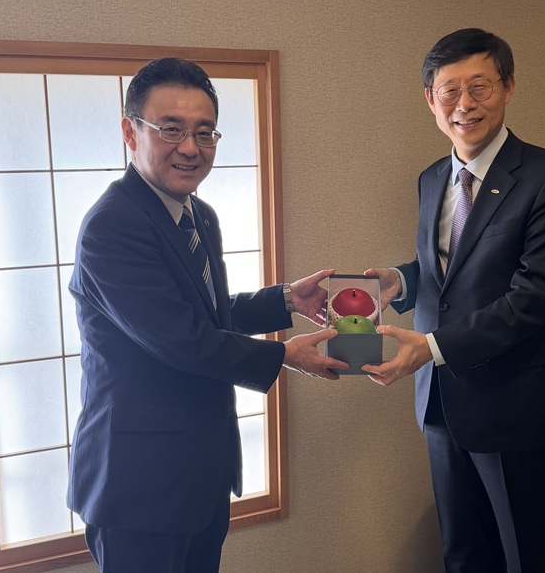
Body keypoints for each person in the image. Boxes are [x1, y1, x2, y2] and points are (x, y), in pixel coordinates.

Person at [67, 57, 348, 573]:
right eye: (171, 129)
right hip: (138, 484)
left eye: (204, 132)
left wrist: (286, 299)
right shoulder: (113, 225)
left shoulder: (199, 215)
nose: (190, 148)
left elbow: (207, 315)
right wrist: (283, 355)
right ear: (131, 132)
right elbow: (180, 339)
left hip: (199, 472)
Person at [363, 28, 545, 573]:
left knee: (524, 555)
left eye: (480, 86)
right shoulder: (432, 179)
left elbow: (534, 296)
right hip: (442, 401)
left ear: (508, 87)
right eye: (449, 90)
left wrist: (432, 347)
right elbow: (458, 268)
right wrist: (403, 281)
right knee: (462, 551)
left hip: (514, 402)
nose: (464, 104)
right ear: (431, 99)